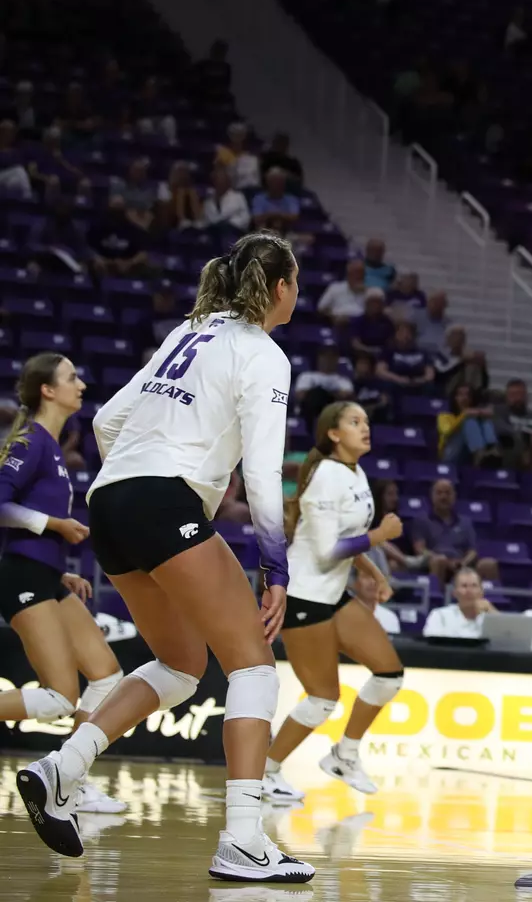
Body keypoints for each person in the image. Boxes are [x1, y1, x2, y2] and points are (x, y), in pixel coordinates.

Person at [13, 231, 315, 883]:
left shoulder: (189, 333)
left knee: (180, 665)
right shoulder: (262, 354)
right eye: (297, 283)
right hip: (159, 500)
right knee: (254, 668)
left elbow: (104, 424)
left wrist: (153, 477)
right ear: (281, 287)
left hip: (112, 499)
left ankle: (60, 768)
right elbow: (263, 474)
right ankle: (243, 839)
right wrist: (276, 566)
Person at [0, 354, 128, 815]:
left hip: (48, 576)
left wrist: (60, 566)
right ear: (47, 390)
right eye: (71, 376)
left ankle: (70, 780)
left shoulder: (53, 446)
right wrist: (56, 524)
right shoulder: (30, 440)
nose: (81, 382)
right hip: (20, 575)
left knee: (108, 676)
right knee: (58, 696)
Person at [261, 402, 405, 805]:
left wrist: (375, 573)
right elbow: (326, 550)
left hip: (332, 593)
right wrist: (381, 536)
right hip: (304, 594)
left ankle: (345, 754)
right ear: (334, 434)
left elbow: (344, 539)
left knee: (389, 674)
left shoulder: (354, 472)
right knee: (323, 698)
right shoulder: (326, 476)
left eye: (367, 421)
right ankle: (265, 773)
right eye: (355, 422)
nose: (366, 427)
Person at [423, 567, 495, 638]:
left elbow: (504, 640)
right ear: (455, 592)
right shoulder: (440, 615)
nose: (469, 591)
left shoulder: (490, 617)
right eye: (464, 586)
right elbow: (432, 643)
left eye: (474, 586)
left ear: (482, 592)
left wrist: (492, 612)